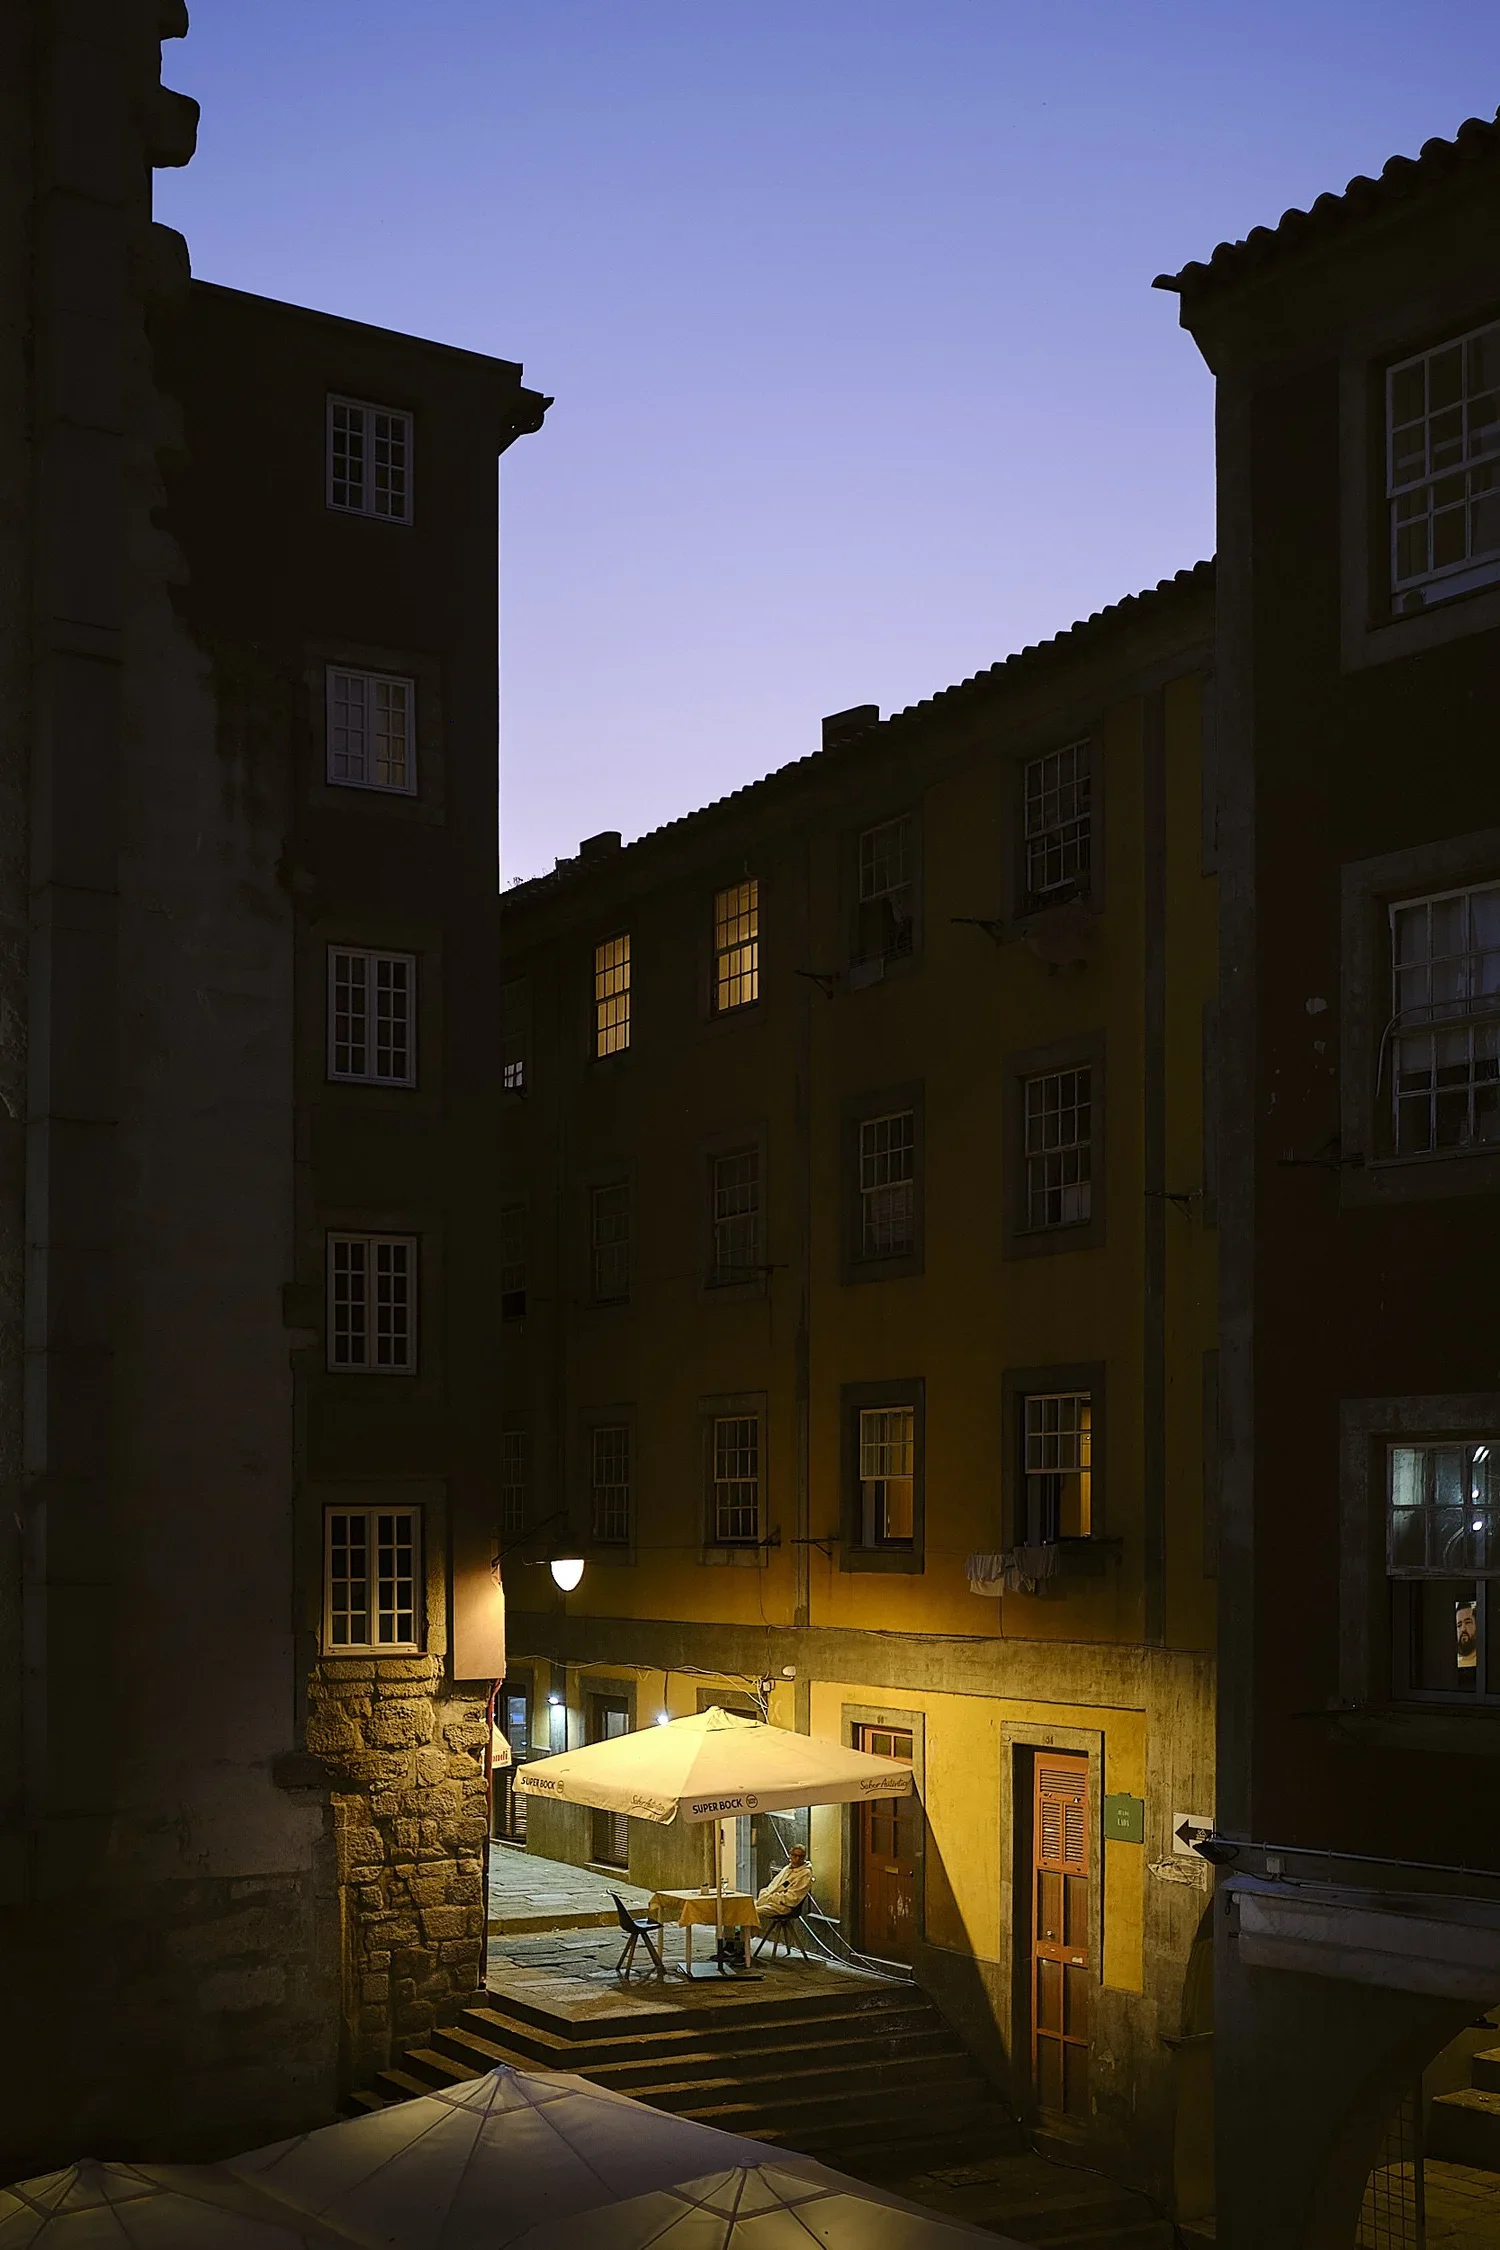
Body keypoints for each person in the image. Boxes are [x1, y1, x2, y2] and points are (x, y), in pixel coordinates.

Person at [755, 1843, 814, 1921]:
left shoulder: (805, 1873)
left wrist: (771, 1898)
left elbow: (792, 1899)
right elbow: (773, 1886)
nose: (797, 1859)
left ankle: (751, 1933)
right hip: (771, 1900)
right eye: (794, 1855)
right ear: (790, 1855)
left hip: (785, 1907)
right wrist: (765, 1894)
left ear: (805, 1857)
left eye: (801, 1857)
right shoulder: (787, 1869)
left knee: (752, 1912)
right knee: (744, 1908)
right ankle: (749, 1933)